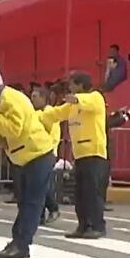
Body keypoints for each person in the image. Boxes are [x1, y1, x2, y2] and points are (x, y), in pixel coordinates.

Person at [0, 80, 54, 258]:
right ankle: (18, 241)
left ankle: (22, 244)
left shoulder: (10, 98)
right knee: (24, 203)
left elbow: (14, 129)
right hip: (23, 157)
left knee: (31, 203)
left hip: (38, 154)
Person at [42, 73, 108, 239]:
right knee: (80, 193)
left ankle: (97, 226)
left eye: (72, 85)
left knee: (93, 193)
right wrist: (33, 116)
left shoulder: (96, 97)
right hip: (79, 155)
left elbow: (88, 102)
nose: (69, 88)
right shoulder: (72, 105)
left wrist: (77, 99)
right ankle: (83, 225)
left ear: (80, 85)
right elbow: (55, 114)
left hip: (95, 153)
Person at [31, 88, 61, 224]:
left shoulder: (49, 113)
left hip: (47, 152)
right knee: (38, 184)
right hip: (36, 152)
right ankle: (40, 215)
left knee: (43, 184)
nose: (32, 99)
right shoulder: (36, 113)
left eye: (35, 96)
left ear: (44, 98)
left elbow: (53, 135)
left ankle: (53, 208)